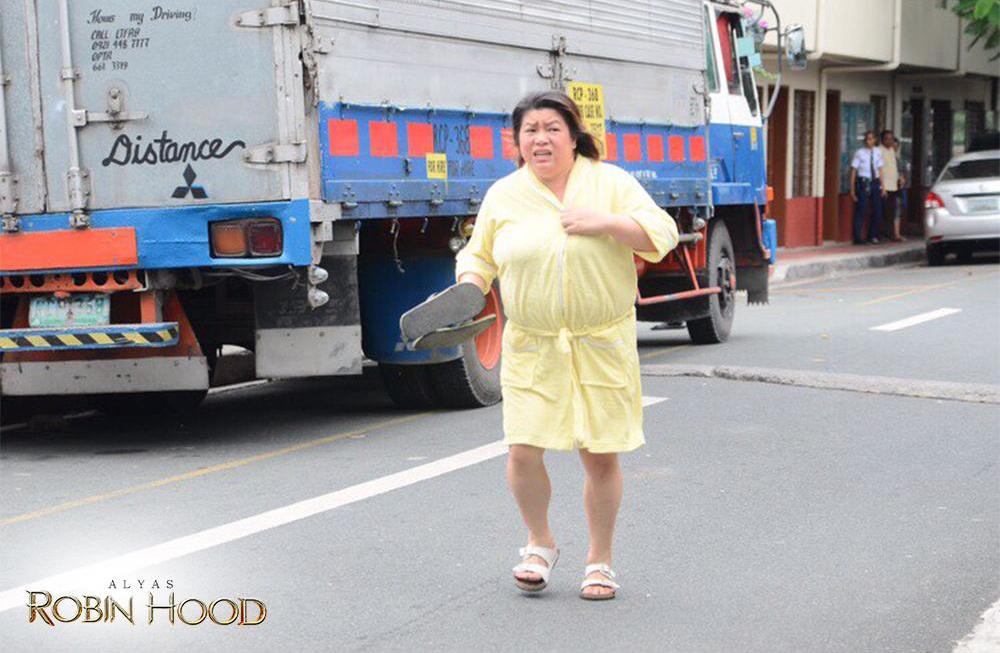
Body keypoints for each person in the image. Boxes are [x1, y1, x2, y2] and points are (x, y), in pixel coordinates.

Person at [454, 90, 678, 600]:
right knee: (522, 450)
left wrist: (607, 223)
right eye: (530, 130)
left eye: (552, 128)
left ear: (574, 136)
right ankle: (540, 543)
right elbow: (479, 255)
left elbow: (661, 234)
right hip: (532, 344)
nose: (541, 139)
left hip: (601, 342)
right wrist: (470, 284)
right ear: (516, 141)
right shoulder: (504, 195)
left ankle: (600, 561)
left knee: (599, 456)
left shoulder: (609, 182)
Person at [849, 130, 886, 244]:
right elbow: (854, 170)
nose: (868, 141)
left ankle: (872, 235)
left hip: (875, 182)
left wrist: (883, 187)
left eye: (870, 139)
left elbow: (880, 169)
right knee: (861, 209)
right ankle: (857, 237)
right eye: (867, 139)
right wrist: (852, 189)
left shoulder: (878, 152)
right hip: (863, 181)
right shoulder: (859, 152)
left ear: (874, 140)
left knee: (877, 210)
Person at [878, 130, 905, 241]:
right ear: (882, 140)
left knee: (891, 212)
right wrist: (882, 186)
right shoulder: (879, 151)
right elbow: (879, 169)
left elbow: (894, 168)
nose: (889, 141)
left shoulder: (892, 151)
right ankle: (880, 234)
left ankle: (890, 234)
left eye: (891, 139)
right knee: (882, 212)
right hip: (884, 186)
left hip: (893, 186)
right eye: (887, 139)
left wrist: (900, 178)